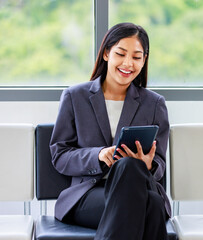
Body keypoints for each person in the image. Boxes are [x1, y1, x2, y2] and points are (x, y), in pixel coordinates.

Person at [50, 22, 170, 240]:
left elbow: (160, 164)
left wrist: (149, 164)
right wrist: (98, 155)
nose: (128, 63)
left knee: (132, 169)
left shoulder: (154, 104)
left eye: (136, 57)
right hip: (90, 194)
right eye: (121, 54)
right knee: (150, 206)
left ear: (144, 61)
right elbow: (60, 156)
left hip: (140, 187)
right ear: (106, 53)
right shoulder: (75, 97)